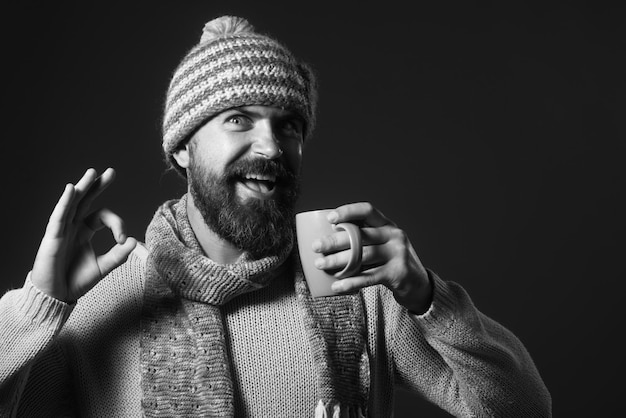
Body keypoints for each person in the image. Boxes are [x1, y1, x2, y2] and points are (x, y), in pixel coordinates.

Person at [0, 15, 551, 417]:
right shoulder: (102, 300)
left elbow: (524, 410)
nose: (271, 146)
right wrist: (36, 307)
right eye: (239, 119)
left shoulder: (353, 283)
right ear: (183, 149)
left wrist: (429, 298)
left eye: (288, 124)